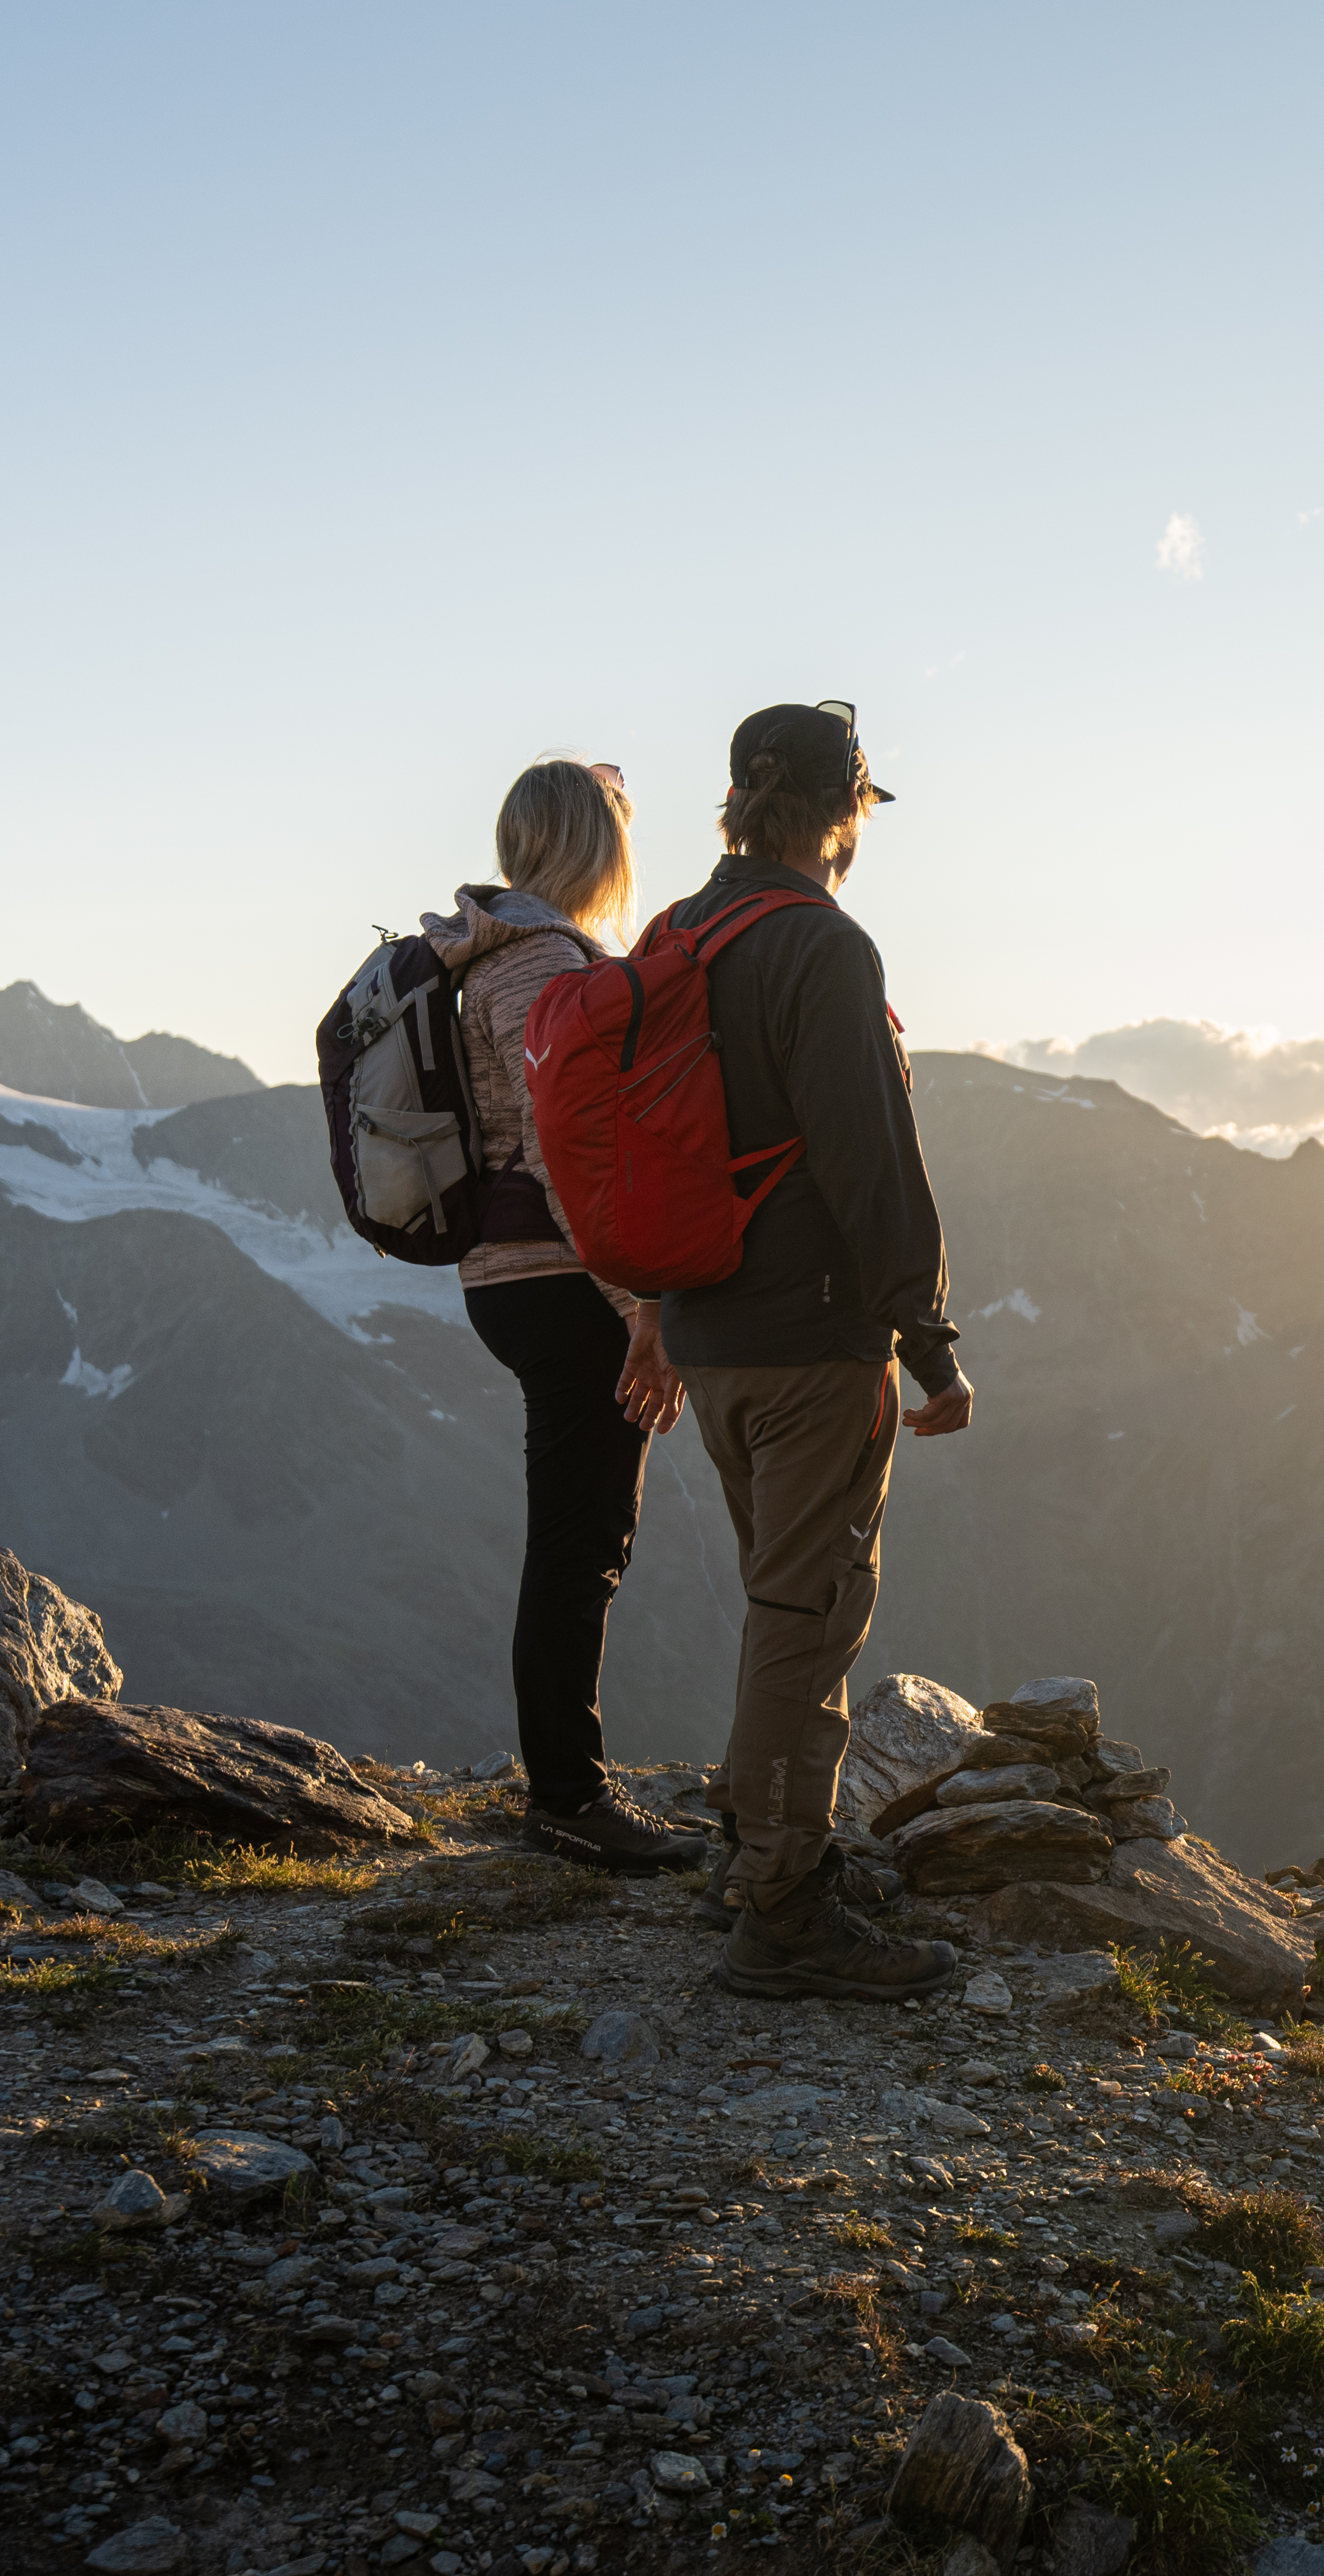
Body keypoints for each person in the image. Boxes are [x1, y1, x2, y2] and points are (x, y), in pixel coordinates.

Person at [653, 701, 971, 2004]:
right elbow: (868, 1160)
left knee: (783, 1603)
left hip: (709, 1337)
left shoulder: (678, 934)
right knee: (811, 1612)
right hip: (808, 1345)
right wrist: (927, 1340)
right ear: (843, 811)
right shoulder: (819, 948)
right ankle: (783, 1906)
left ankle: (759, 1855)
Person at [433, 759, 710, 1871]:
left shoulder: (483, 957)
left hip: (505, 1276)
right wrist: (641, 1305)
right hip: (564, 1277)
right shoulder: (548, 964)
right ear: (594, 849)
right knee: (582, 1542)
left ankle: (565, 1787)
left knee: (574, 1535)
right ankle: (567, 1798)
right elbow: (568, 1154)